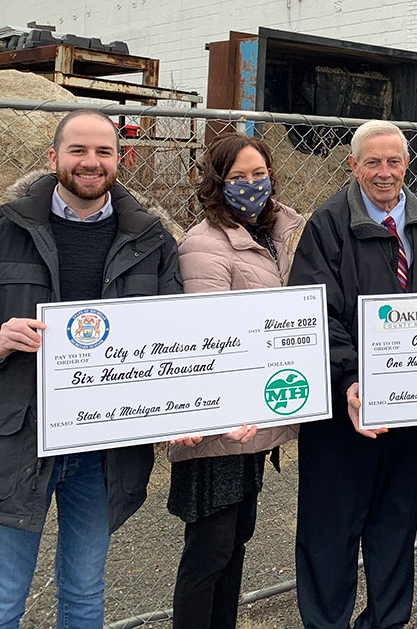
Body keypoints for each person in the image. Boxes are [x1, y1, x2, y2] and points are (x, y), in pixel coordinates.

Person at [0, 109, 182, 629]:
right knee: (1, 601)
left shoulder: (151, 239)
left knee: (83, 593)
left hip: (102, 448)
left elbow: (174, 340)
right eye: (78, 150)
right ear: (53, 158)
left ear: (119, 160)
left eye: (103, 151)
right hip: (16, 439)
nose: (91, 162)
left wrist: (190, 413)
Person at [287, 119, 417, 629]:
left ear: (407, 164)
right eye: (372, 163)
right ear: (353, 165)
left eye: (394, 162)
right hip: (348, 410)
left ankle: (388, 620)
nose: (385, 173)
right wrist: (350, 381)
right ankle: (326, 622)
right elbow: (316, 314)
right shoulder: (328, 224)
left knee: (395, 523)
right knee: (330, 528)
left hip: (411, 408)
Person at [166, 133, 305, 629]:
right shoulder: (204, 244)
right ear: (217, 183)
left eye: (259, 175)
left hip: (253, 422)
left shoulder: (279, 233)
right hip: (216, 428)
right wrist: (224, 407)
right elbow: (207, 338)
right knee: (209, 550)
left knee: (235, 541)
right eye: (238, 178)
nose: (252, 186)